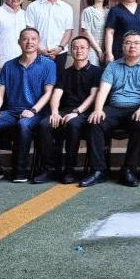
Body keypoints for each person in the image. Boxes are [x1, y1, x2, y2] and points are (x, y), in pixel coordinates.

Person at [79, 30, 140, 188]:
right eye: (128, 43)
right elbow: (103, 90)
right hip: (114, 108)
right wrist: (98, 109)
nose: (132, 46)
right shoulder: (112, 66)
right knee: (95, 122)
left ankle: (129, 170)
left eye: (136, 43)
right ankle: (98, 171)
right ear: (122, 46)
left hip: (136, 108)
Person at [0, 28, 55, 182]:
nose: (29, 42)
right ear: (19, 42)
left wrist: (33, 110)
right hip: (12, 112)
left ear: (38, 42)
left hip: (36, 112)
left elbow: (48, 93)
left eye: (33, 39)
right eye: (25, 39)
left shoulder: (48, 64)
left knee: (23, 125)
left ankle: (20, 171)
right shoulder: (9, 65)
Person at [35, 36, 100, 184]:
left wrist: (76, 112)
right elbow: (57, 94)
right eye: (75, 48)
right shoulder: (64, 73)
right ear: (71, 50)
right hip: (65, 111)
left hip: (85, 112)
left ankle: (69, 169)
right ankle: (49, 168)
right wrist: (55, 112)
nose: (79, 50)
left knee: (73, 124)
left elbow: (93, 96)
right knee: (44, 124)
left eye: (82, 47)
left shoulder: (97, 72)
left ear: (89, 50)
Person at [25, 0, 74, 69]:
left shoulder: (67, 8)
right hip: (37, 52)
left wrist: (60, 48)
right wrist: (39, 48)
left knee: (58, 78)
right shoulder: (33, 7)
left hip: (60, 53)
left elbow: (68, 31)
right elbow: (29, 30)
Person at [104, 0, 140, 64]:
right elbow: (109, 32)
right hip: (119, 51)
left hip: (138, 52)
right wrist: (109, 53)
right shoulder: (115, 10)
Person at [80, 0, 109, 66]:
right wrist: (99, 50)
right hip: (92, 48)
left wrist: (106, 50)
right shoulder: (87, 11)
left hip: (107, 49)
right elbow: (87, 33)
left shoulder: (109, 12)